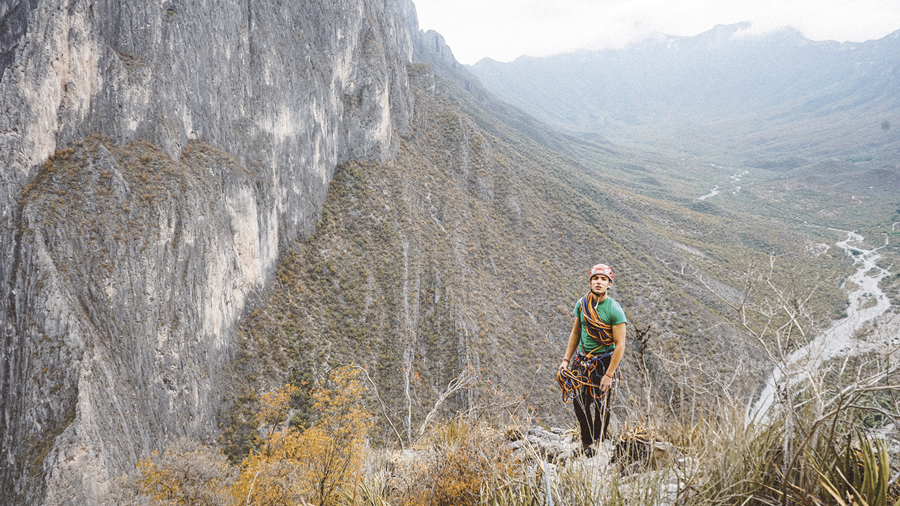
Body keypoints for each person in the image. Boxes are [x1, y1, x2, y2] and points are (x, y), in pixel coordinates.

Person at [558, 263, 627, 456]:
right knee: (579, 402)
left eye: (603, 279)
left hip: (604, 362)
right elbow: (576, 332)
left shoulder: (614, 309)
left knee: (600, 404)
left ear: (609, 284)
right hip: (583, 360)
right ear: (590, 281)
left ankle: (598, 441)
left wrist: (609, 374)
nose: (599, 282)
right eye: (595, 278)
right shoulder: (582, 304)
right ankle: (586, 440)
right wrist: (566, 360)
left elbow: (620, 344)